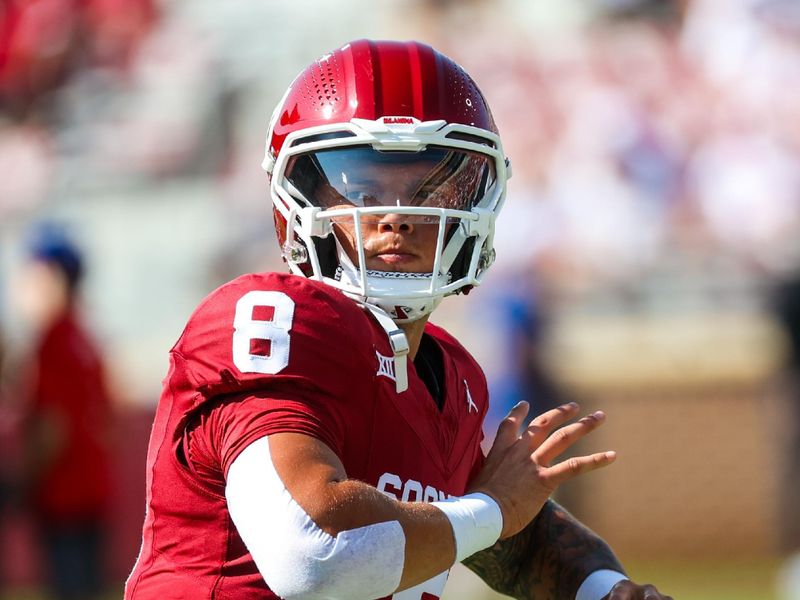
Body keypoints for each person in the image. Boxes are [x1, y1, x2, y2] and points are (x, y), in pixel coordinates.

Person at [125, 40, 670, 600]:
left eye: (428, 189)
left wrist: (606, 590)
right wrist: (493, 510)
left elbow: (509, 535)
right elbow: (315, 551)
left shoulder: (447, 376)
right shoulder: (273, 320)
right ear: (293, 212)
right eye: (361, 188)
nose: (396, 217)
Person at [16, 225, 113, 600]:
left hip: (62, 496)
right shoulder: (85, 337)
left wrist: (24, 482)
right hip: (92, 489)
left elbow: (53, 428)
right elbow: (107, 421)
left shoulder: (53, 339)